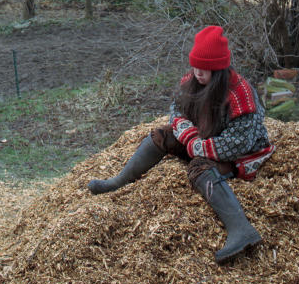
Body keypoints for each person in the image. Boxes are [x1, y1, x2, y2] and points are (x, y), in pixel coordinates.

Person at [87, 25, 274, 263]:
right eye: (196, 66)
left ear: (219, 69)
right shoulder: (191, 82)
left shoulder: (241, 95)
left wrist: (199, 148)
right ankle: (118, 181)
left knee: (199, 167)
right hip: (201, 140)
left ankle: (241, 228)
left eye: (205, 69)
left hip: (240, 154)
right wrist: (189, 136)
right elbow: (176, 112)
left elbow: (239, 143)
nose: (198, 72)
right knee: (161, 135)